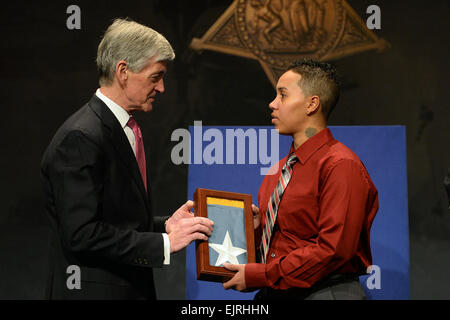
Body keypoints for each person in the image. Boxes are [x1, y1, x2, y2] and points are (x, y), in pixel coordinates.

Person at [40, 18, 213, 300]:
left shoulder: (120, 128)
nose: (162, 88)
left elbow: (115, 219)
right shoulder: (81, 137)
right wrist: (165, 244)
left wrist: (165, 225)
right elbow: (82, 234)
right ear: (123, 71)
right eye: (155, 77)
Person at [223, 59, 379, 300]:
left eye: (282, 95)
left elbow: (333, 250)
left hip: (324, 293)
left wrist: (261, 275)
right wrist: (258, 232)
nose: (272, 104)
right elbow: (285, 246)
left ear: (311, 104)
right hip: (275, 293)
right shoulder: (278, 171)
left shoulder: (340, 165)